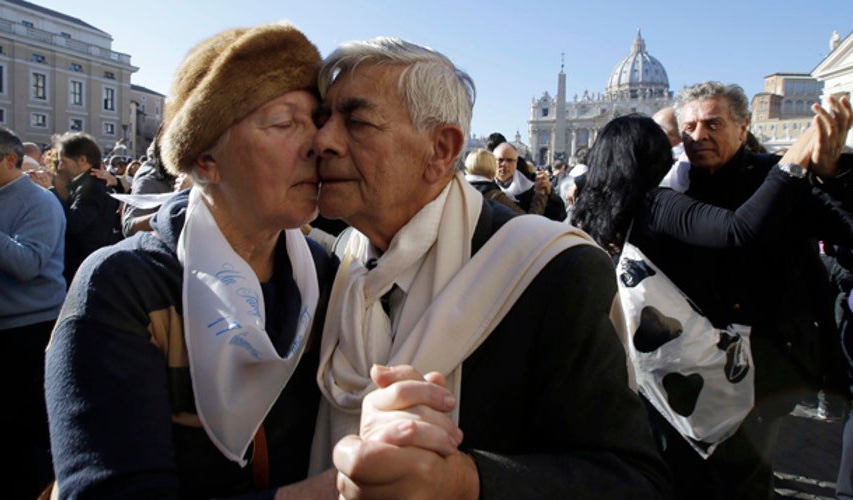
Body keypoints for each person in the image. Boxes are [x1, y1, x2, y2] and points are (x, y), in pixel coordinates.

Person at [310, 36, 672, 498]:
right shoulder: (343, 257)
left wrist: (464, 481)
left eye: (356, 122)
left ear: (442, 149)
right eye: (323, 121)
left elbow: (634, 483)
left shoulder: (555, 271)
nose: (322, 140)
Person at [44, 22, 341, 499]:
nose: (318, 144)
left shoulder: (325, 273)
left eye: (318, 121)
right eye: (285, 124)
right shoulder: (123, 287)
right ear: (205, 159)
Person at [574, 84, 853, 498]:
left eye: (714, 124)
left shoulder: (774, 176)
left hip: (764, 367)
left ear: (744, 128)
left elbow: (841, 227)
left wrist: (827, 174)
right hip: (678, 373)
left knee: (746, 479)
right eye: (690, 127)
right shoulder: (671, 189)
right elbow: (734, 232)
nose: (699, 135)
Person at [0, 124, 66, 499]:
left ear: (9, 159)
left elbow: (29, 264)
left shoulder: (39, 203)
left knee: (26, 434)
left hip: (27, 334)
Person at [49, 132, 122, 283]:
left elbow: (74, 223)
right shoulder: (88, 183)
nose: (60, 167)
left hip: (83, 268)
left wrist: (50, 191)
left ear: (82, 160)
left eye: (63, 161)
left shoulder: (92, 187)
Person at [493, 141, 566, 220]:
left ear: (516, 162)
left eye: (510, 160)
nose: (504, 164)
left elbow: (559, 215)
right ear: (492, 161)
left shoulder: (532, 183)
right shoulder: (485, 186)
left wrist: (549, 194)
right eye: (500, 160)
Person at [463, 148, 533, 213]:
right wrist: (540, 196)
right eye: (500, 160)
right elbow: (526, 220)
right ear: (493, 167)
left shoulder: (457, 188)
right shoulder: (495, 195)